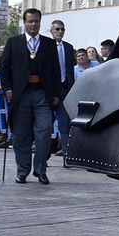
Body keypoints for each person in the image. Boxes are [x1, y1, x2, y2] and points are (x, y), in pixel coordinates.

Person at [0, 8, 64, 184]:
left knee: (43, 133)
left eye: (36, 21)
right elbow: (4, 69)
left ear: (40, 23)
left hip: (42, 94)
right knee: (21, 135)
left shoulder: (49, 44)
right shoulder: (14, 42)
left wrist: (56, 94)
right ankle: (22, 170)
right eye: (30, 21)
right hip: (21, 94)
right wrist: (7, 89)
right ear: (24, 23)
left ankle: (41, 170)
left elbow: (56, 71)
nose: (33, 24)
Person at [51, 19, 77, 153]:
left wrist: (71, 89)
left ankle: (67, 156)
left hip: (64, 89)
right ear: (51, 31)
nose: (60, 32)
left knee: (65, 125)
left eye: (62, 29)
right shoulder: (46, 46)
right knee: (44, 126)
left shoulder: (68, 47)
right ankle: (43, 157)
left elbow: (70, 70)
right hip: (49, 91)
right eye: (57, 29)